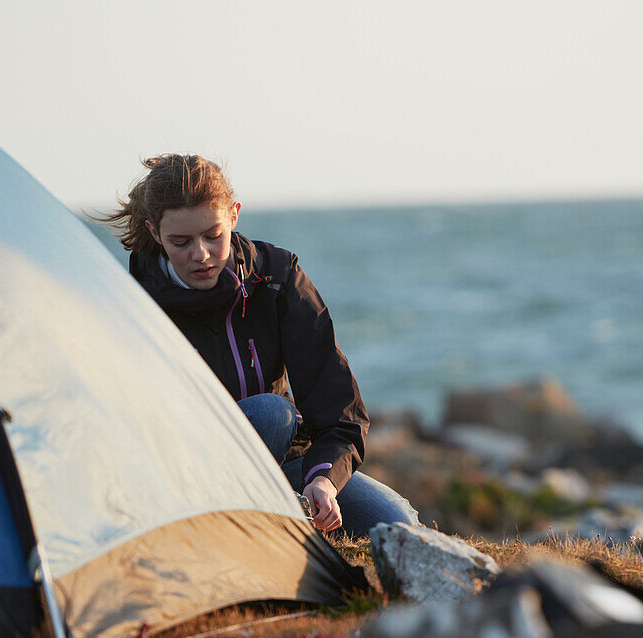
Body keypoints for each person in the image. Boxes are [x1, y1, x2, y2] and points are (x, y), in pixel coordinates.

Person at [100, 154, 419, 537]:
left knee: (397, 523)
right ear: (154, 233)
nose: (200, 255)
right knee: (272, 413)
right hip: (184, 480)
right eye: (180, 242)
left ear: (233, 215)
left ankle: (271, 511)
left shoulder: (277, 278)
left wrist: (323, 481)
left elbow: (336, 405)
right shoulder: (133, 303)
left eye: (212, 235)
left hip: (279, 463)